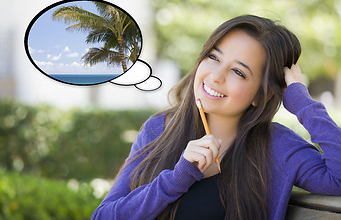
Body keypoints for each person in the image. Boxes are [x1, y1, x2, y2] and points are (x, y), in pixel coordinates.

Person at [91, 15, 341, 220]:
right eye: (213, 57)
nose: (216, 76)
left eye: (238, 72)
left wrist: (302, 103)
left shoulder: (277, 146)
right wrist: (176, 179)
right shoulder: (159, 128)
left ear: (261, 96)